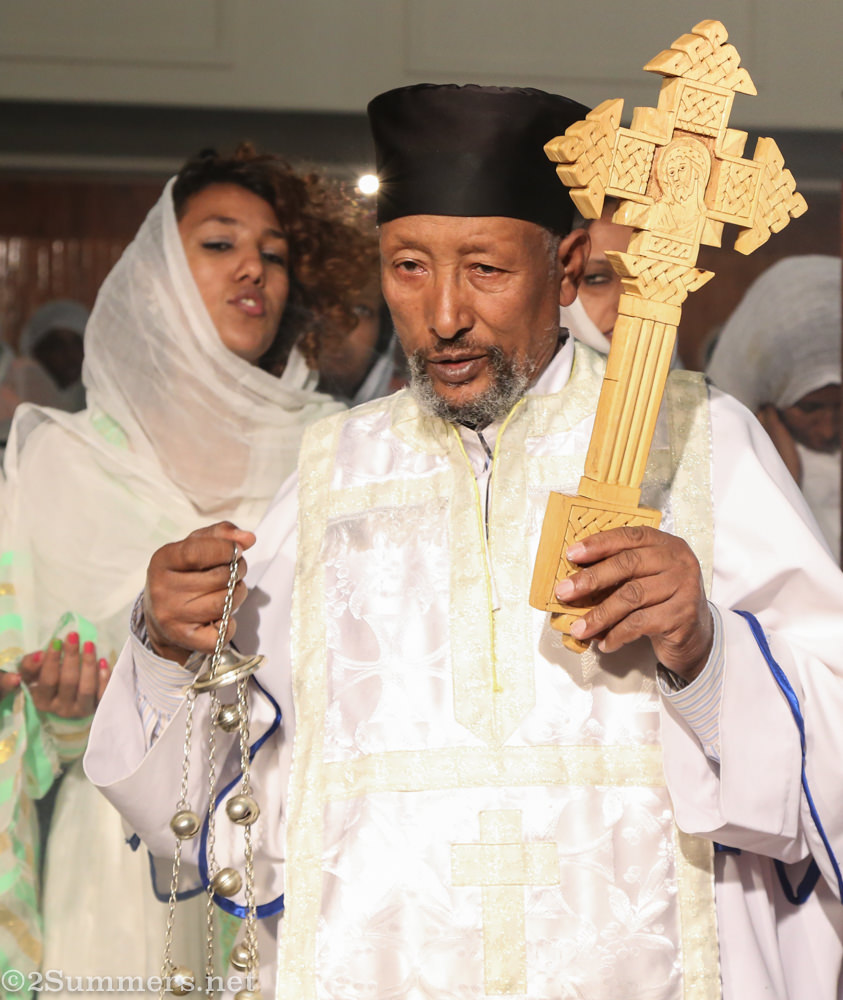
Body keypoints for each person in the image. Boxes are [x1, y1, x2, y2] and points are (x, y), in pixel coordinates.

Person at [86, 85, 843, 1000]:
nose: (443, 315)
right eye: (408, 267)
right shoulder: (331, 478)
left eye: (483, 270)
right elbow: (218, 804)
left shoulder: (699, 447)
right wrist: (167, 647)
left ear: (565, 268)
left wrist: (704, 649)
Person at [2, 144, 375, 995]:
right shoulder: (59, 460)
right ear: (159, 272)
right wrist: (61, 715)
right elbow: (12, 698)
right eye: (218, 243)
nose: (254, 266)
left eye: (275, 254)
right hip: (110, 859)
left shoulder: (336, 450)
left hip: (290, 840)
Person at [707, 255, 841, 558]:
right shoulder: (727, 460)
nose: (828, 429)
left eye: (841, 407)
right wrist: (780, 480)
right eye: (809, 408)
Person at [18, 299, 90, 413]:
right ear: (37, 351)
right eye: (57, 345)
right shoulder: (15, 403)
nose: (70, 354)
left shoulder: (98, 400)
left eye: (77, 344)